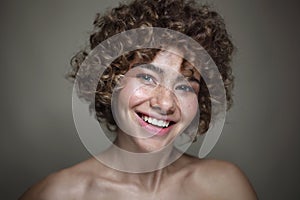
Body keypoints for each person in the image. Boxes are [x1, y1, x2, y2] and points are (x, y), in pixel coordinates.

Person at [19, 0, 258, 199]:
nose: (165, 103)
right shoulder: (57, 194)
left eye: (184, 86)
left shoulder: (226, 187)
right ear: (111, 80)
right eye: (147, 77)